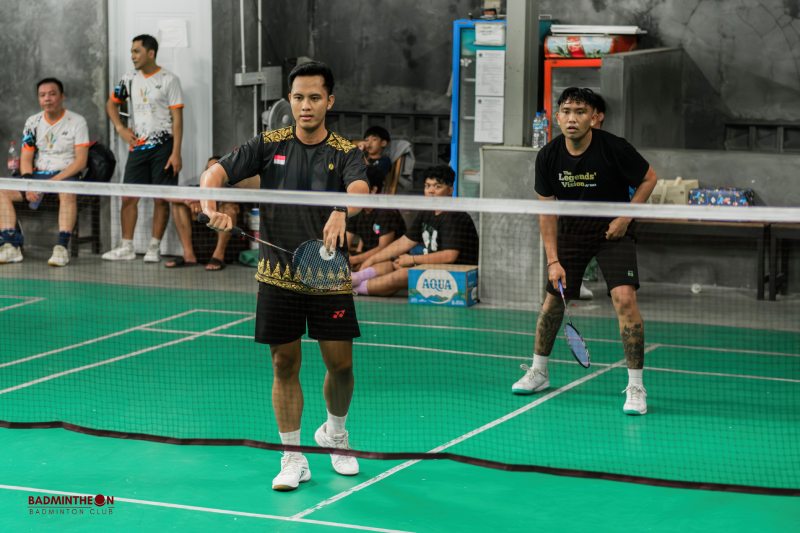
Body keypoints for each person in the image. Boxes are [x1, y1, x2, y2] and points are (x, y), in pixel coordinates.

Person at [199, 61, 369, 491]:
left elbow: (361, 192)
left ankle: (335, 433)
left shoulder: (346, 152)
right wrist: (209, 206)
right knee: (283, 362)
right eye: (298, 97)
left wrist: (341, 210)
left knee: (341, 365)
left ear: (329, 101)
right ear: (288, 101)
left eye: (314, 97)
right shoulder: (267, 144)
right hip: (278, 272)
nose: (306, 106)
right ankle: (293, 455)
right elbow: (215, 172)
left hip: (328, 272)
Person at [512, 87, 657, 416]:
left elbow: (649, 178)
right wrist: (553, 260)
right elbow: (547, 212)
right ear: (558, 117)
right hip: (572, 233)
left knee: (624, 298)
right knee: (553, 301)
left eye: (580, 111)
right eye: (566, 111)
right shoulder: (548, 156)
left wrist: (626, 216)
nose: (572, 118)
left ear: (595, 117)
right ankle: (539, 371)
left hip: (612, 231)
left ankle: (636, 385)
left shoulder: (614, 148)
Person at [102, 34, 183, 263]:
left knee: (161, 199)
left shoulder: (169, 79)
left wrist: (176, 152)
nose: (132, 56)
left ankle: (154, 248)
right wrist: (120, 128)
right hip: (138, 147)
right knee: (128, 197)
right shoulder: (128, 79)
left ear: (151, 53)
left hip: (164, 146)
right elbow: (111, 104)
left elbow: (177, 119)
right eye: (131, 52)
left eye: (136, 51)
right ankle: (126, 246)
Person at [0, 78, 90, 267]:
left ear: (62, 96)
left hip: (65, 174)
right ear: (39, 99)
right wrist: (28, 183)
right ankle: (10, 245)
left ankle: (61, 247)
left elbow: (81, 161)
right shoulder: (32, 122)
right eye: (42, 95)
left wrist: (53, 182)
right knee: (2, 191)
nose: (47, 99)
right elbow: (26, 157)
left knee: (67, 193)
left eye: (52, 94)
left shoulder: (77, 121)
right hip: (38, 175)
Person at [352, 165, 478, 296]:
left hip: (458, 273)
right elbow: (405, 242)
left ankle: (355, 288)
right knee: (390, 264)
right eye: (427, 186)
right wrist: (372, 260)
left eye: (437, 186)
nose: (431, 191)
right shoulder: (426, 212)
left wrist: (412, 260)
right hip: (432, 267)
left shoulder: (454, 216)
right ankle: (356, 278)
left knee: (404, 274)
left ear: (450, 190)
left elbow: (449, 256)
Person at [164, 156, 241, 271]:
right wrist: (189, 201)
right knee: (178, 205)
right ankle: (189, 255)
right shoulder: (199, 188)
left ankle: (218, 256)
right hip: (201, 240)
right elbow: (167, 195)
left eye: (215, 169)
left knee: (229, 208)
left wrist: (208, 207)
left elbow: (234, 203)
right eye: (208, 169)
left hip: (228, 247)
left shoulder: (233, 188)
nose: (212, 173)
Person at [346, 164, 406, 271]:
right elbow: (345, 242)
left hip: (389, 260)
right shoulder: (357, 210)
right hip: (364, 257)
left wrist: (354, 260)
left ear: (373, 189)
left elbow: (383, 248)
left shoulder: (386, 212)